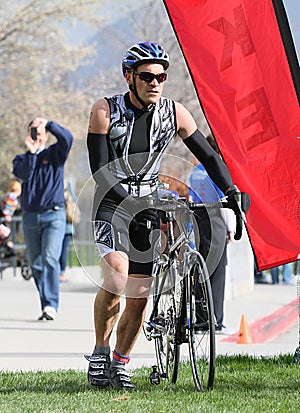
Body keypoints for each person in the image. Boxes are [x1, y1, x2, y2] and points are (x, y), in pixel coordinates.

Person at [86, 42, 238, 390]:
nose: (155, 82)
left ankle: (121, 363)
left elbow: (209, 156)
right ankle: (99, 352)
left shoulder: (175, 113)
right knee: (118, 277)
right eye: (147, 76)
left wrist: (231, 190)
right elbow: (101, 172)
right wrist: (132, 205)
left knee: (140, 293)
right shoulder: (104, 111)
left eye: (161, 76)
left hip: (150, 201)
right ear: (129, 77)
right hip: (112, 201)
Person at [12, 117, 73, 320]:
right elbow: (23, 174)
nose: (36, 134)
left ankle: (50, 305)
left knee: (49, 258)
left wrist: (49, 123)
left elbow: (68, 138)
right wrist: (31, 152)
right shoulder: (21, 159)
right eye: (32, 131)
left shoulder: (55, 154)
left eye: (39, 131)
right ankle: (46, 302)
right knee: (36, 263)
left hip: (54, 215)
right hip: (30, 217)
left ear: (46, 134)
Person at [188, 135, 236, 334]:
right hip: (215, 219)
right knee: (218, 272)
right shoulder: (217, 170)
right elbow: (224, 201)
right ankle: (215, 320)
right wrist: (231, 228)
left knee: (201, 269)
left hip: (198, 218)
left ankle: (200, 320)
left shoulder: (195, 171)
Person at [59, 180, 78, 282]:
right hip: (66, 226)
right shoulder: (67, 183)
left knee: (60, 251)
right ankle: (60, 273)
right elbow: (74, 200)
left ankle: (60, 273)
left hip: (65, 226)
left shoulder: (65, 183)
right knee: (61, 250)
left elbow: (74, 201)